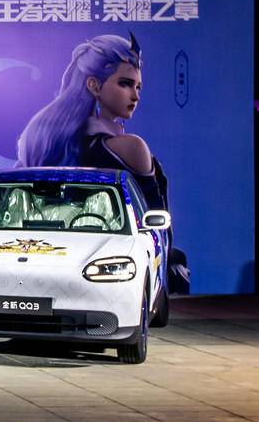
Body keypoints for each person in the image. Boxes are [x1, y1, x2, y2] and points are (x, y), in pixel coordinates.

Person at [15, 32, 188, 292]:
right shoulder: (131, 147)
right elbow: (156, 224)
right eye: (125, 84)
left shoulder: (47, 143)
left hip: (43, 254)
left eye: (138, 87)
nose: (135, 96)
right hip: (114, 261)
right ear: (94, 85)